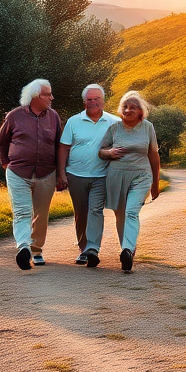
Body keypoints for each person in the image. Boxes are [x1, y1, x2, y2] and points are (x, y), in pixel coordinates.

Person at [0, 78, 66, 271]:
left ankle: (36, 250)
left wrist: (61, 174)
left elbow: (59, 146)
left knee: (41, 214)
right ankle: (23, 248)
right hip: (18, 172)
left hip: (46, 173)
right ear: (36, 96)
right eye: (48, 94)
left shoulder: (54, 117)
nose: (52, 97)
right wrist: (5, 163)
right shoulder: (14, 116)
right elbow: (1, 143)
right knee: (22, 212)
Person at [97, 91, 161, 272]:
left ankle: (127, 250)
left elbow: (153, 155)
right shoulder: (114, 129)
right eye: (125, 106)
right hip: (116, 176)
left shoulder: (147, 127)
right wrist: (108, 153)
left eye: (133, 107)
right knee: (120, 214)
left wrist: (155, 184)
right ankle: (127, 247)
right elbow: (101, 151)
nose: (128, 109)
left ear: (141, 111)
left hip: (141, 176)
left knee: (131, 211)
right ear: (120, 110)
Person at [57, 84, 120, 267]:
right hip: (76, 175)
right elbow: (64, 147)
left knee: (95, 210)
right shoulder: (73, 122)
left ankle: (92, 249)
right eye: (89, 99)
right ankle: (83, 248)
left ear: (103, 100)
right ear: (84, 102)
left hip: (102, 175)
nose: (93, 102)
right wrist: (62, 173)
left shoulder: (114, 122)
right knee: (81, 212)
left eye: (97, 99)